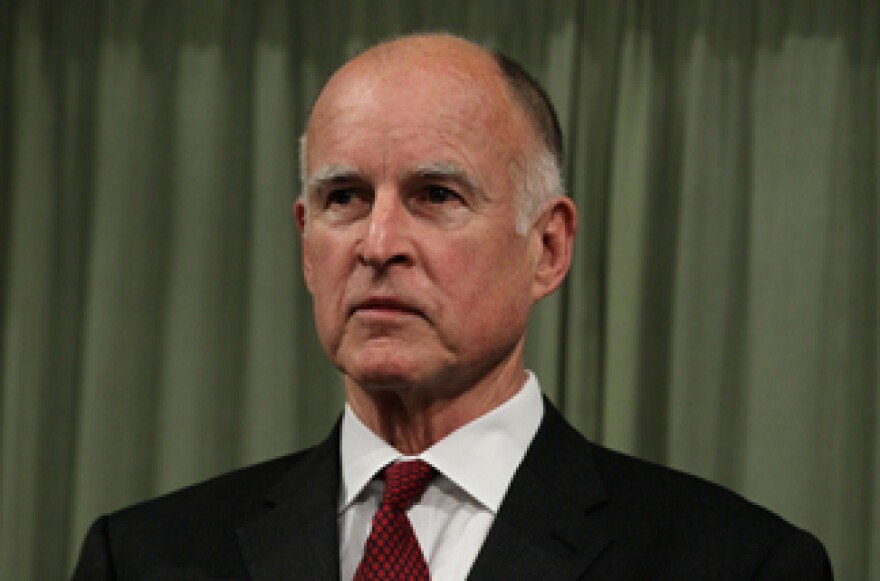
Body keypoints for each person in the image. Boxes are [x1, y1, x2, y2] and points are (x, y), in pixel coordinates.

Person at [71, 33, 833, 580]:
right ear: (308, 246)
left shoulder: (739, 562)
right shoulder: (141, 556)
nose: (377, 243)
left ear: (548, 247)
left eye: (436, 195)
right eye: (345, 197)